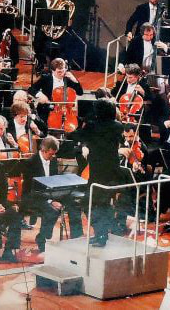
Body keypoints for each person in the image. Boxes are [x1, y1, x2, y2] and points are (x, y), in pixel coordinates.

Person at [67, 99, 128, 247]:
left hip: (98, 173)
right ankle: (102, 234)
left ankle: (101, 234)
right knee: (102, 205)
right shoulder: (118, 126)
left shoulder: (92, 126)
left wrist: (85, 121)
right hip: (112, 172)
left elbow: (73, 136)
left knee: (89, 204)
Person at [22, 136, 83, 252]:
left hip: (52, 194)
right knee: (52, 211)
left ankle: (77, 238)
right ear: (43, 150)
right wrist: (50, 201)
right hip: (35, 196)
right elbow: (30, 190)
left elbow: (54, 181)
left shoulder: (53, 160)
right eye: (50, 154)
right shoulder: (30, 163)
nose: (52, 157)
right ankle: (42, 238)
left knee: (74, 205)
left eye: (54, 154)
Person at [28, 58, 83, 123]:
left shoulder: (68, 79)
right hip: (47, 109)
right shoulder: (46, 78)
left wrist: (75, 80)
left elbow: (80, 92)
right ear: (53, 71)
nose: (62, 74)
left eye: (63, 71)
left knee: (79, 122)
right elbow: (31, 89)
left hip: (65, 111)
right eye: (59, 72)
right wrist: (39, 94)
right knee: (42, 123)